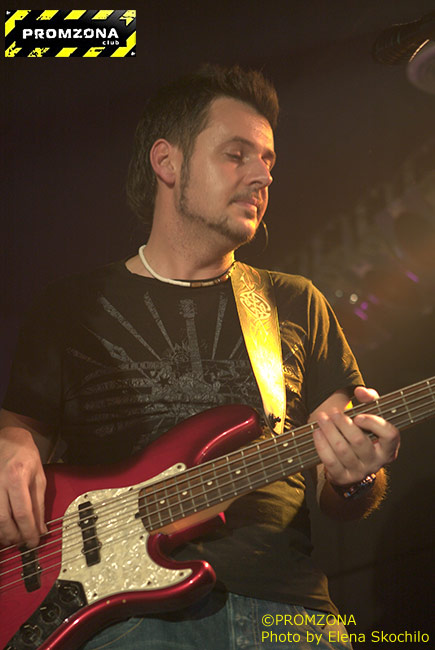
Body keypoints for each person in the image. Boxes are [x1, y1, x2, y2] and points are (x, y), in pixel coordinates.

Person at [0, 65, 400, 650]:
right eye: (236, 155)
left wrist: (356, 476)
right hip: (122, 620)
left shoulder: (295, 301)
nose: (262, 175)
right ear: (167, 162)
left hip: (290, 615)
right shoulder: (69, 306)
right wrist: (11, 447)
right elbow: (20, 440)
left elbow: (341, 491)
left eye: (267, 161)